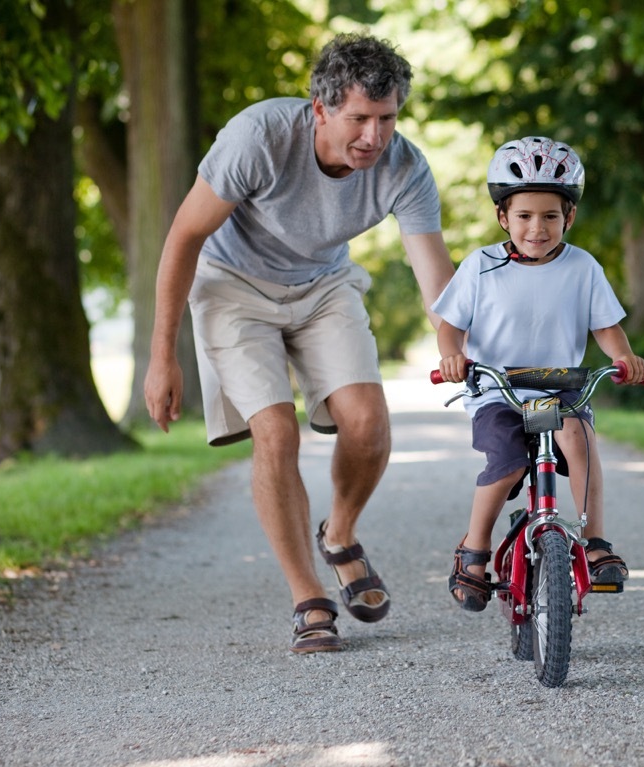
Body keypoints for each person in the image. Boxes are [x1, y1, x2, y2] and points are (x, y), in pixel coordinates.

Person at [143, 34, 455, 653]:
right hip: (232, 288)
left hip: (321, 286)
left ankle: (339, 535)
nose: (374, 136)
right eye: (359, 119)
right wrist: (162, 357)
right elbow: (183, 238)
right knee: (276, 432)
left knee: (367, 424)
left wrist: (454, 346)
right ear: (320, 108)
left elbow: (434, 274)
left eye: (387, 118)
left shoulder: (405, 167)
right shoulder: (258, 137)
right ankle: (307, 596)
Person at [433, 136, 644, 612]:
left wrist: (625, 358)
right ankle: (475, 549)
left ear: (568, 218)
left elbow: (607, 329)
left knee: (579, 436)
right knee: (506, 461)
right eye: (525, 216)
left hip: (561, 388)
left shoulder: (582, 267)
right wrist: (452, 356)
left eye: (551, 216)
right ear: (503, 217)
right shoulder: (480, 266)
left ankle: (594, 542)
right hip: (497, 389)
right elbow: (450, 328)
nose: (537, 227)